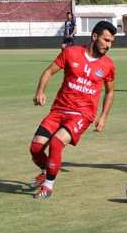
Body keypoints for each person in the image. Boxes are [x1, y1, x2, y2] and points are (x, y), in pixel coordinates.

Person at [29, 21, 117, 199]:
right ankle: (47, 171)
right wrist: (40, 91)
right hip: (58, 110)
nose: (108, 45)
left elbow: (110, 92)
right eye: (106, 40)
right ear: (94, 37)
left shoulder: (108, 65)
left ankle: (48, 186)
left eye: (111, 42)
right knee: (35, 148)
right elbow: (48, 72)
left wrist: (103, 117)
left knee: (56, 143)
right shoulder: (71, 52)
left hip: (82, 115)